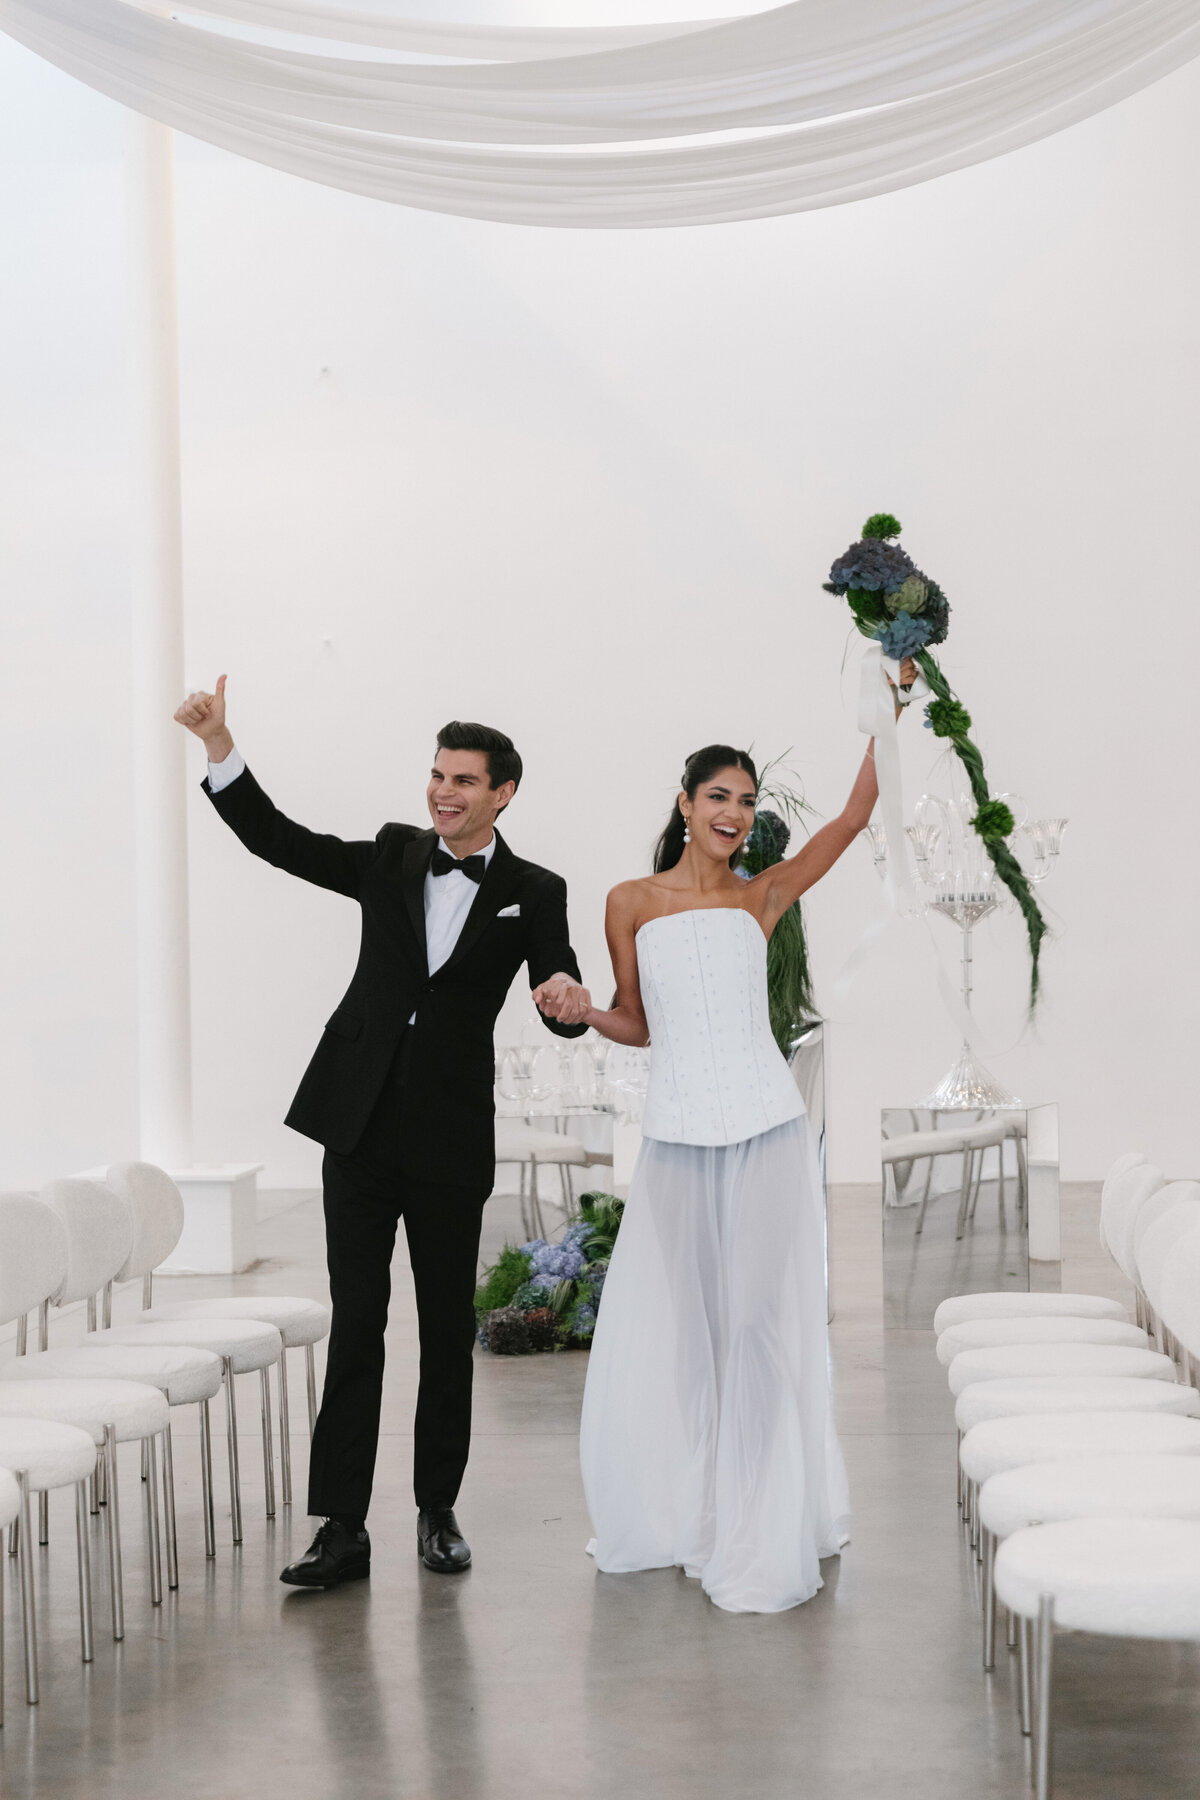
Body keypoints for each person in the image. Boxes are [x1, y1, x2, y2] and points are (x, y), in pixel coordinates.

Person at [174, 677, 591, 1588]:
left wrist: (568, 1003)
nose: (444, 791)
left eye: (464, 780)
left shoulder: (533, 888)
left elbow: (557, 985)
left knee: (446, 1329)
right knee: (358, 1322)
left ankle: (437, 1511)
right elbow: (283, 842)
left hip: (448, 1138)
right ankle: (341, 1527)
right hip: (355, 1125)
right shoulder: (397, 855)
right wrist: (221, 748)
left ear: (504, 792)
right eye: (437, 775)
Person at [542, 670, 912, 1613]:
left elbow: (857, 813)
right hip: (677, 1140)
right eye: (720, 797)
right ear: (685, 802)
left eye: (747, 802)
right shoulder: (631, 900)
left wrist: (892, 697)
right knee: (693, 1335)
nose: (736, 814)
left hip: (765, 1131)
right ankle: (700, 1509)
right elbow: (638, 1022)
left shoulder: (763, 897)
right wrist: (584, 1011)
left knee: (755, 1323)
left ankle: (761, 1525)